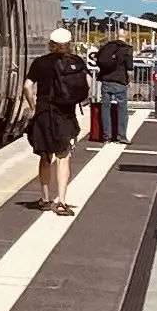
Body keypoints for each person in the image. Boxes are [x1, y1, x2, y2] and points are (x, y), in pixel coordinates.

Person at [23, 21, 94, 215]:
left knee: (46, 156)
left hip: (44, 113)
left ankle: (45, 200)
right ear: (69, 44)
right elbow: (88, 82)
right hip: (66, 114)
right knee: (64, 157)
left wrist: (33, 106)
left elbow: (27, 86)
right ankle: (62, 202)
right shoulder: (77, 61)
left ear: (51, 43)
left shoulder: (40, 62)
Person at [91, 28, 135, 146]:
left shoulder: (107, 47)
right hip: (120, 82)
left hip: (106, 81)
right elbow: (129, 69)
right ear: (126, 35)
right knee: (122, 109)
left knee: (105, 108)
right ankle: (121, 136)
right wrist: (129, 81)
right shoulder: (127, 49)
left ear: (116, 35)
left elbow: (98, 60)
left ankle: (107, 136)